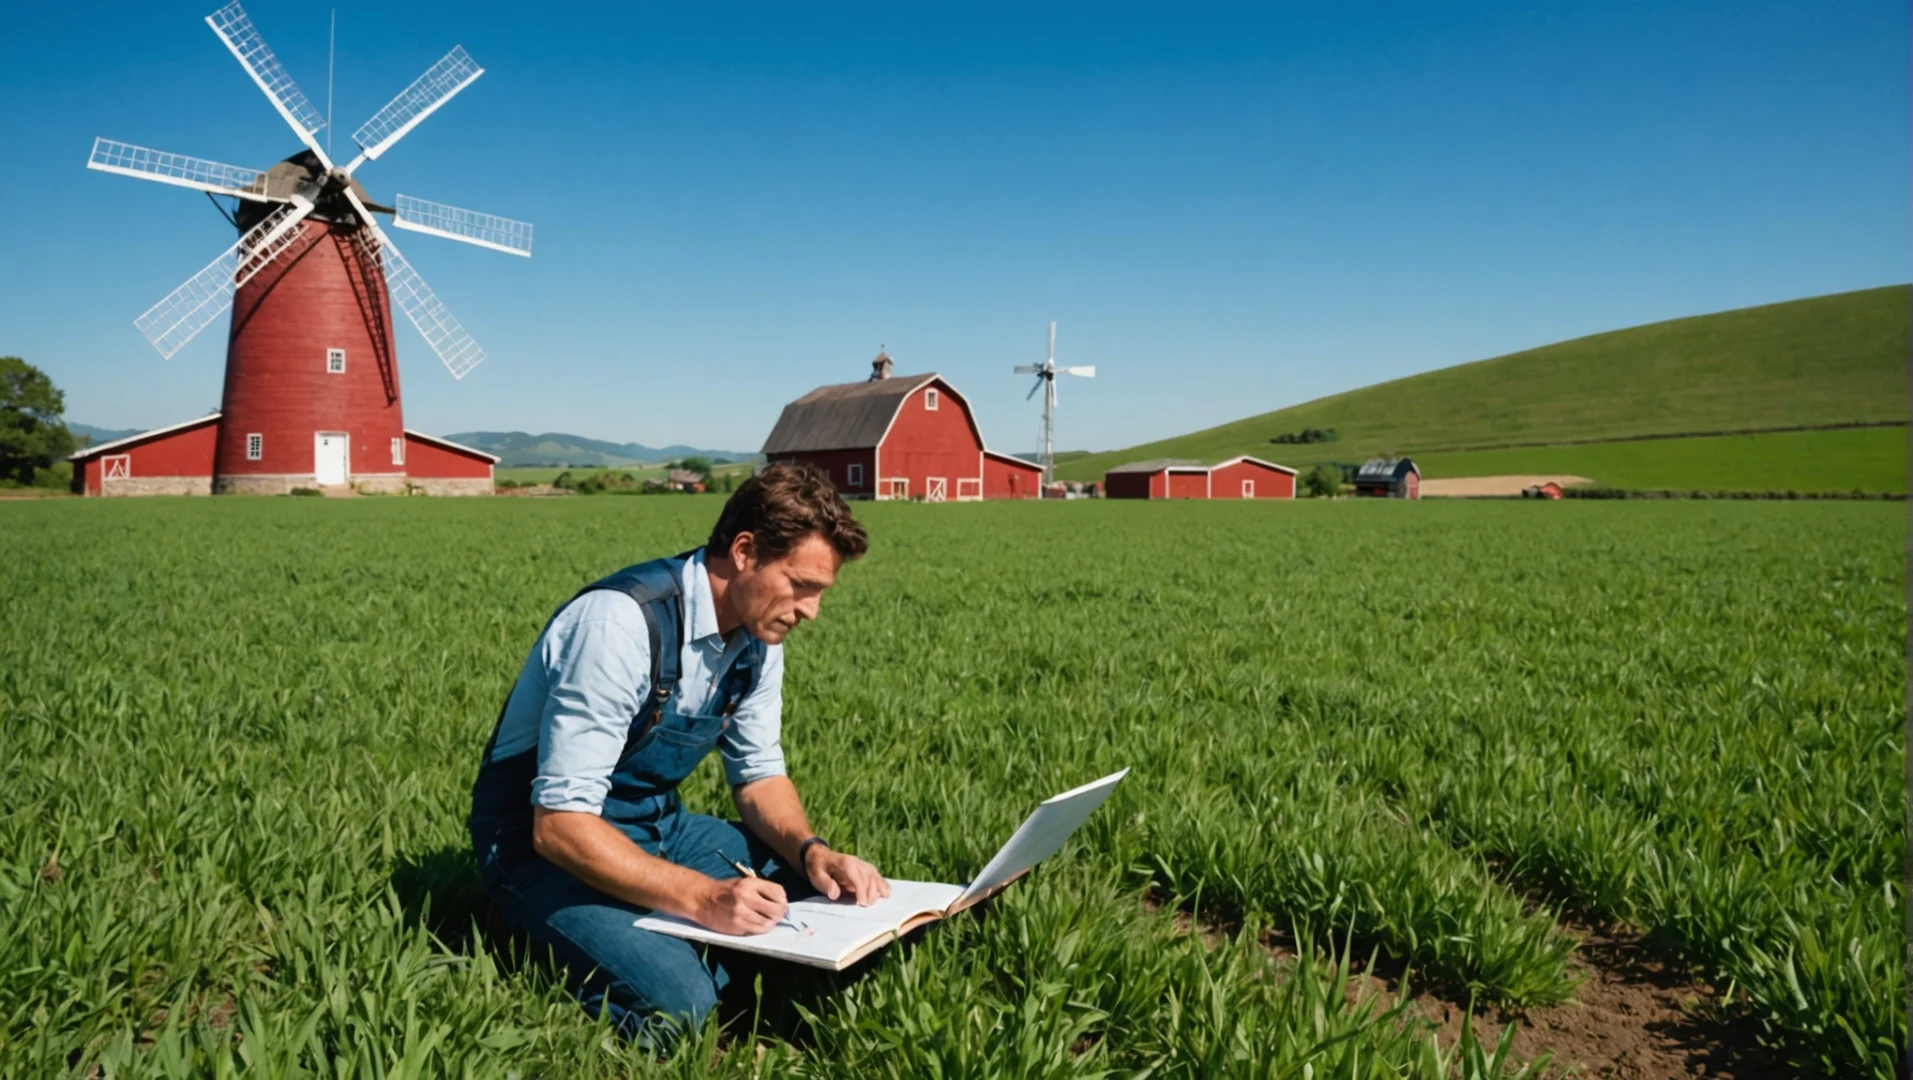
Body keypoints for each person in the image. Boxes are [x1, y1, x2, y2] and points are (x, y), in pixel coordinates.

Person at [467, 463, 888, 1045]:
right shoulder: (619, 624)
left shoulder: (759, 637)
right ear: (745, 551)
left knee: (833, 904)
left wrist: (811, 851)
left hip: (658, 827)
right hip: (541, 847)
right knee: (681, 1008)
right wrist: (704, 899)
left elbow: (759, 776)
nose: (811, 610)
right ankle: (518, 922)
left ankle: (679, 942)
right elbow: (558, 825)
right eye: (801, 584)